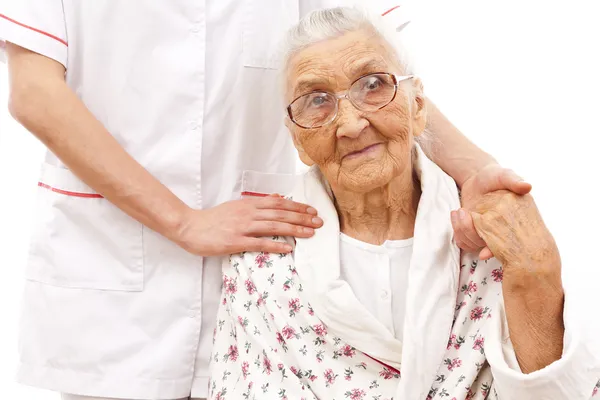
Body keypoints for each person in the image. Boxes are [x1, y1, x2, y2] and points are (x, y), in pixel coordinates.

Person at [1, 1, 529, 399]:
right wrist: (182, 222)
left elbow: (377, 75)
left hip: (268, 283)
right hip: (108, 291)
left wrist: (478, 172)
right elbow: (34, 93)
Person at [208, 7, 600, 400]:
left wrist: (538, 272)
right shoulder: (261, 263)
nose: (350, 125)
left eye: (374, 84)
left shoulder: (493, 240)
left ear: (418, 107)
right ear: (297, 140)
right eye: (317, 101)